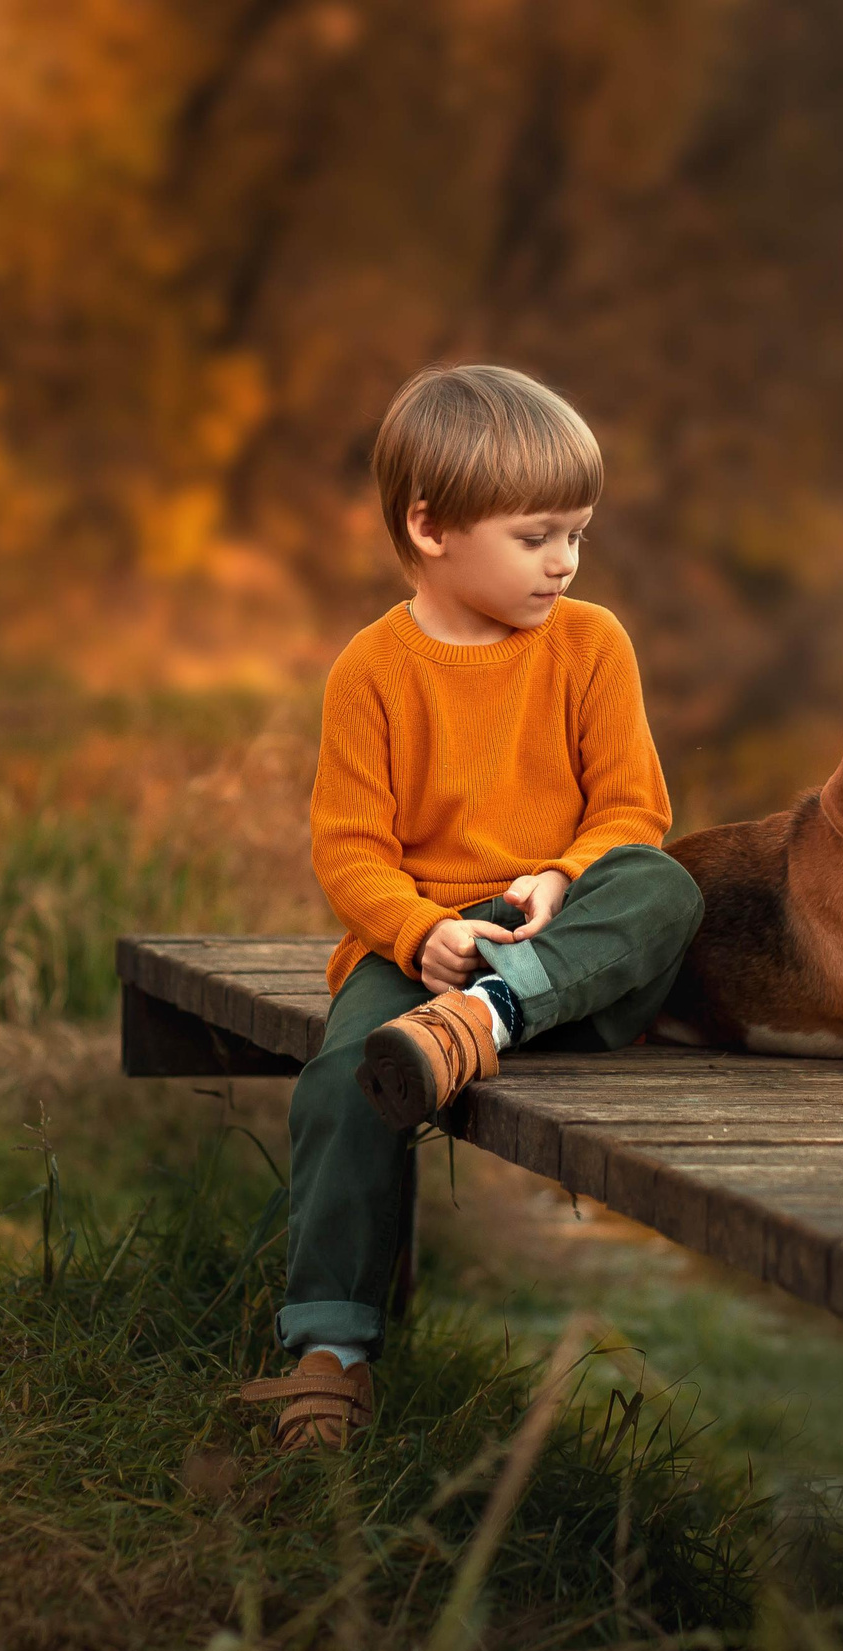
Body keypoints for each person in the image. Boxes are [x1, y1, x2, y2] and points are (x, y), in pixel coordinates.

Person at [235, 363, 705, 1452]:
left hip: (557, 938)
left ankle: (486, 1023)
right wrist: (420, 932)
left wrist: (564, 873)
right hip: (426, 949)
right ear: (431, 525)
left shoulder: (592, 645)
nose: (565, 561)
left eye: (577, 532)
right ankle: (330, 1354)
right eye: (536, 535)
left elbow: (633, 808)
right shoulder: (373, 670)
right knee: (346, 1081)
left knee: (665, 886)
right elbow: (350, 850)